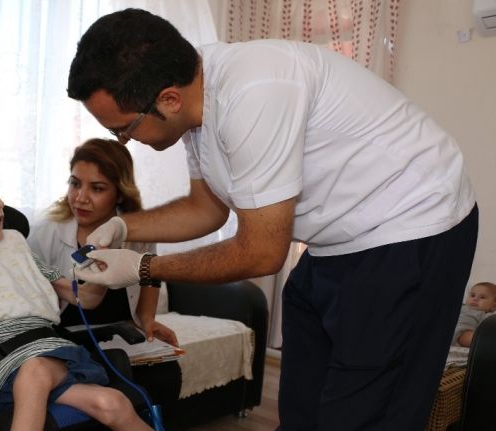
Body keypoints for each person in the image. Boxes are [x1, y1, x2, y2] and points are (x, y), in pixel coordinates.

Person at [66, 8, 479, 431]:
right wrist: (124, 227)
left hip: (413, 226)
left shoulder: (254, 93)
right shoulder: (193, 93)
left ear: (168, 100)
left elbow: (261, 254)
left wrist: (143, 268)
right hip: (338, 240)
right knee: (303, 403)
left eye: (123, 128)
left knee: (366, 411)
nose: (124, 140)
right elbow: (206, 209)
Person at [0, 159, 153, 431]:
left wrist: (101, 271)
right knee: (35, 373)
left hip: (53, 354)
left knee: (113, 403)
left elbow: (85, 299)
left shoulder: (21, 255)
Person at [27, 137, 181, 409]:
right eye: (75, 183)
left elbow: (151, 272)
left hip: (121, 334)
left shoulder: (138, 230)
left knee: (165, 375)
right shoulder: (47, 231)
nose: (80, 198)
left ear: (120, 193)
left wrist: (147, 319)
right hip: (65, 336)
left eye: (97, 188)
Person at [453, 282, 496, 347]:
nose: (475, 299)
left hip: (463, 333)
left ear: (494, 306)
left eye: (482, 297)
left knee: (482, 338)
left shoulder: (487, 316)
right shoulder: (462, 307)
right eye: (472, 295)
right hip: (448, 329)